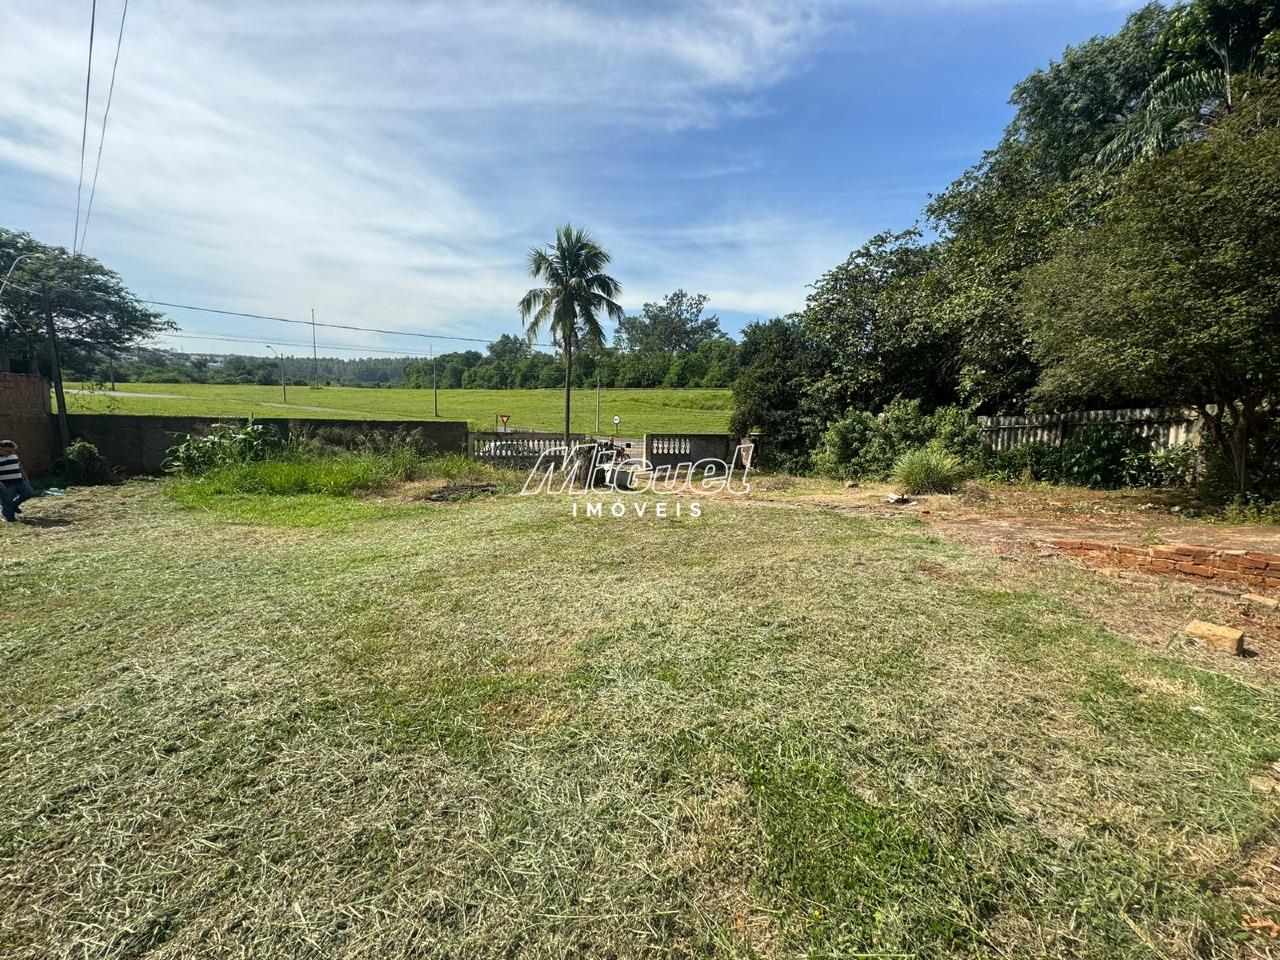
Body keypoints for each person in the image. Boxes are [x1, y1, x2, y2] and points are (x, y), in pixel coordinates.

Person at [0, 440, 37, 523]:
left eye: (13, 451)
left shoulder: (13, 456)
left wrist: (26, 478)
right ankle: (11, 520)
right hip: (6, 484)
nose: (11, 453)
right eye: (8, 451)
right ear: (1, 449)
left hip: (19, 481)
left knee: (30, 493)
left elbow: (20, 467)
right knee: (7, 502)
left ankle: (14, 505)